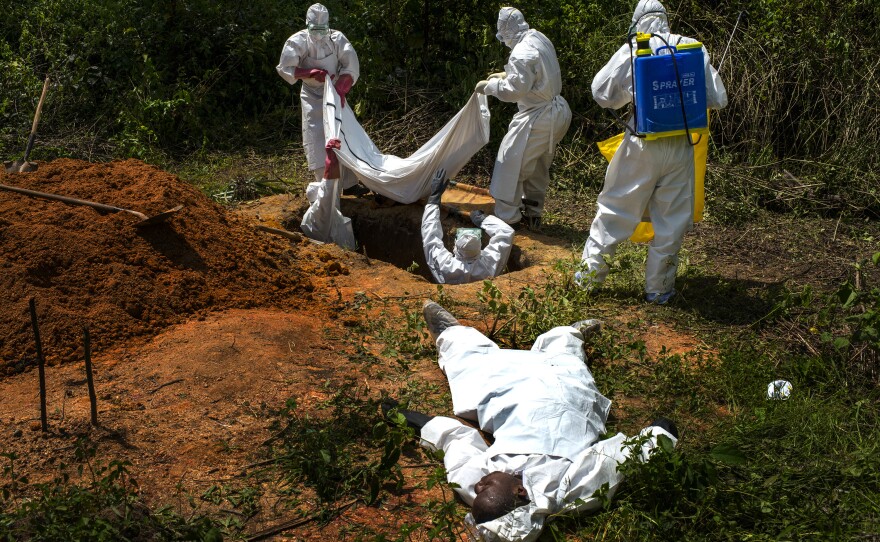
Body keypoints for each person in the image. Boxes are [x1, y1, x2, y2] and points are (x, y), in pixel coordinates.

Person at [387, 300, 679, 541]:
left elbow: (456, 442)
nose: (477, 488)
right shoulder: (569, 491)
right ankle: (567, 336)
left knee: (473, 371)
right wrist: (659, 435)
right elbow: (615, 463)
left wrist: (408, 418)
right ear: (520, 492)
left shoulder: (480, 484)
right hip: (567, 401)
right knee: (565, 364)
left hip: (508, 403)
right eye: (485, 490)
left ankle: (451, 334)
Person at [578, 0, 728, 304]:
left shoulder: (636, 48)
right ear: (665, 20)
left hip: (643, 143)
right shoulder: (692, 48)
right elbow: (718, 98)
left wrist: (627, 91)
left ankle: (587, 282)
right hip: (682, 144)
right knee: (671, 221)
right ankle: (659, 292)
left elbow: (601, 92)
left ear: (637, 22)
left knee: (614, 211)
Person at [474, 7, 572, 230]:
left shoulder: (520, 52)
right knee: (537, 165)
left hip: (539, 116)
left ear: (506, 31)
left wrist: (491, 86)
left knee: (510, 161)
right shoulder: (538, 37)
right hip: (557, 111)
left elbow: (515, 90)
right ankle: (533, 213)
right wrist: (505, 74)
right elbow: (535, 75)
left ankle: (507, 217)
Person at [276, 3, 366, 194]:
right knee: (316, 138)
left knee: (343, 134)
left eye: (322, 29)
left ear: (328, 26)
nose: (318, 33)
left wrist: (340, 91)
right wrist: (308, 72)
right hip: (311, 95)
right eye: (314, 29)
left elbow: (351, 67)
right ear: (307, 25)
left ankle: (350, 184)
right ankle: (327, 187)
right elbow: (286, 68)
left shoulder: (337, 39)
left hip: (334, 92)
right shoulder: (297, 41)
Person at [421, 168, 515, 284]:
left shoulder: (445, 265)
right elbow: (506, 232)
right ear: (480, 247)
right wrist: (483, 220)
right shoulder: (488, 265)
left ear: (455, 246)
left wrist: (434, 198)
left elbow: (430, 235)